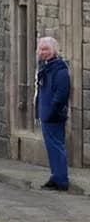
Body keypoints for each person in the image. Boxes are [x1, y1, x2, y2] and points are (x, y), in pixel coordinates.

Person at [36, 36, 71, 191]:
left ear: (54, 51)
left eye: (46, 49)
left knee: (56, 147)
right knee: (51, 148)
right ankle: (55, 176)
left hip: (54, 116)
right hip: (45, 114)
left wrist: (51, 112)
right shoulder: (46, 67)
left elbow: (61, 94)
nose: (43, 52)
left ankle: (61, 180)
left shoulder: (60, 69)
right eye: (41, 49)